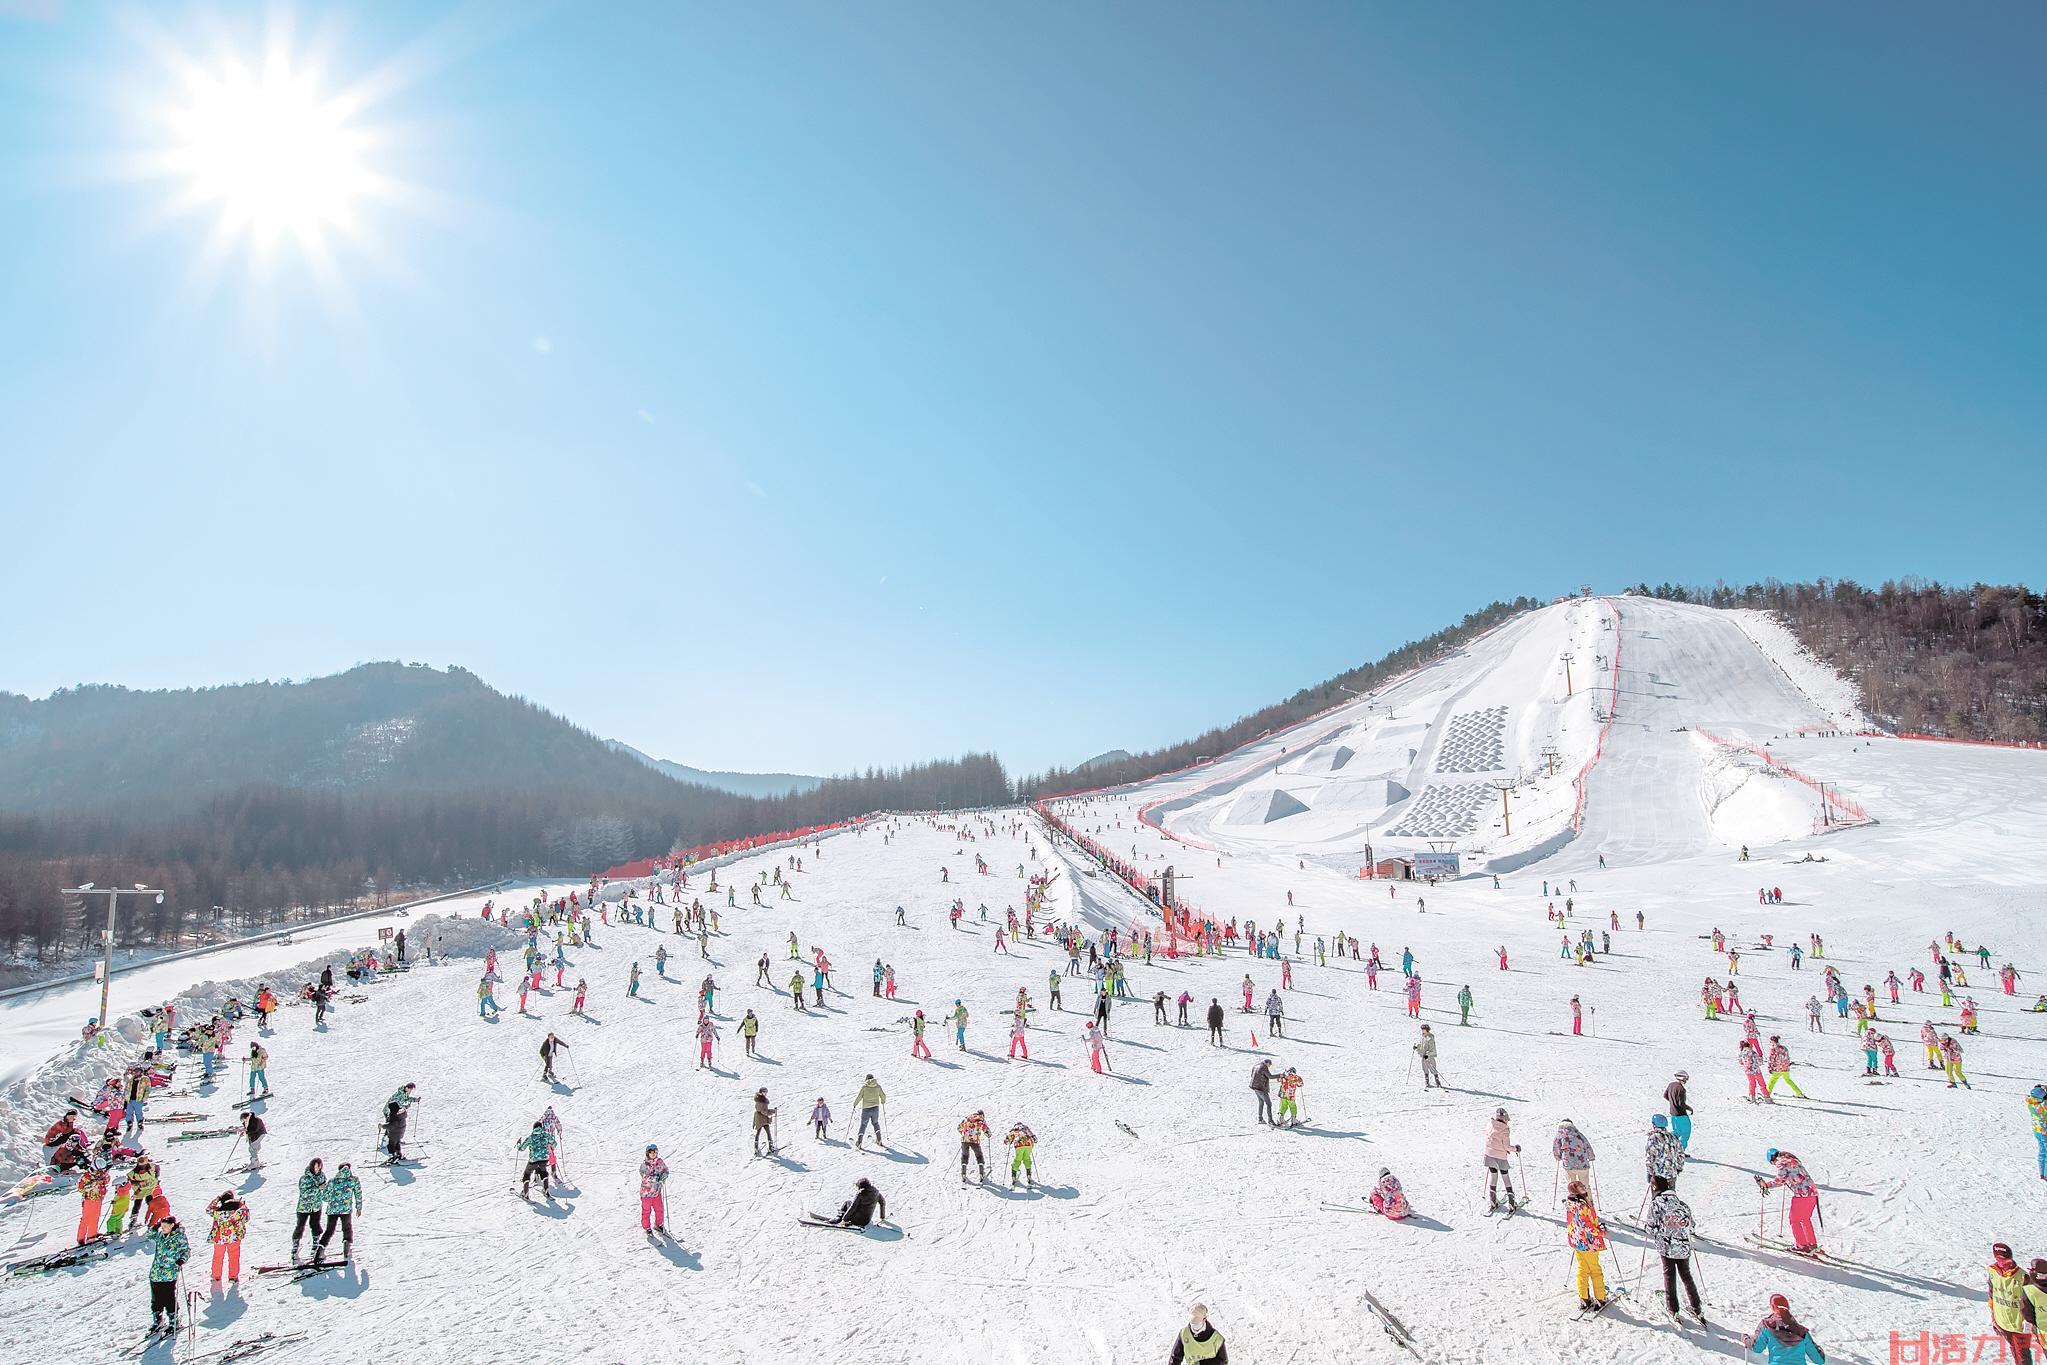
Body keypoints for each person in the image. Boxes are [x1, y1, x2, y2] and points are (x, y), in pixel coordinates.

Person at [1646, 1177, 1703, 1319]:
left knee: (1669, 1276)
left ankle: (1673, 1308)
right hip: (1683, 1246)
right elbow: (1692, 1227)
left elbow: (1651, 1228)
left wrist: (1657, 1233)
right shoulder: (1682, 1204)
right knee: (1686, 1275)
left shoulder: (1656, 1204)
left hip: (1666, 1247)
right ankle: (1696, 1306)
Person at [1756, 1149, 1820, 1253]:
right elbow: (1789, 1178)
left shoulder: (1782, 1164)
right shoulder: (1792, 1160)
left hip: (1801, 1195)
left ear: (1772, 1159)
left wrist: (1765, 1185)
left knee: (1794, 1219)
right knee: (1805, 1219)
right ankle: (1811, 1243)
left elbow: (1779, 1181)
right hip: (1812, 1193)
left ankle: (1801, 1245)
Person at [1565, 1180, 1610, 1311]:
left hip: (1577, 1240)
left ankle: (1584, 1298)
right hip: (1588, 1242)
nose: (1584, 1188)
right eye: (1581, 1187)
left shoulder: (1570, 1202)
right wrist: (1601, 1232)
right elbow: (1587, 1226)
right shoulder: (1582, 1206)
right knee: (1595, 1270)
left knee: (1583, 1269)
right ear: (1576, 1191)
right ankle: (1600, 1297)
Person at [1747, 1293, 1826, 1364]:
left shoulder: (1767, 1326)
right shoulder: (1802, 1332)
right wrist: (1819, 1350)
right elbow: (1819, 1360)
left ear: (1772, 1307)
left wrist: (1747, 1340)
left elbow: (1757, 1348)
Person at [145, 1214, 190, 1335]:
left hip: (169, 1273)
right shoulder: (160, 1235)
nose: (163, 1228)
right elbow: (149, 1235)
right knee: (156, 1298)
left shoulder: (178, 1237)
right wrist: (155, 1227)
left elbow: (186, 1250)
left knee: (169, 1297)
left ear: (172, 1225)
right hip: (156, 1272)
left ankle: (174, 1320)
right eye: (162, 1226)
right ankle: (157, 1319)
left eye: (165, 1226)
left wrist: (182, 1260)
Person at [1988, 1242, 2030, 1365]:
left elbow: (2030, 1301)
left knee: (2023, 1355)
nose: (2002, 1262)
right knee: (2014, 1349)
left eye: (2004, 1259)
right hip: (2001, 1320)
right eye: (1998, 1259)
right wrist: (1993, 1317)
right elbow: (1992, 1294)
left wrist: (2028, 1323)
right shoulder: (1992, 1271)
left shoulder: (2023, 1277)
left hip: (2019, 1324)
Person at [314, 1161, 361, 1264]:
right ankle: (346, 1245)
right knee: (347, 1228)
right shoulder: (353, 1180)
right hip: (345, 1210)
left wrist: (332, 1198)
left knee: (329, 1230)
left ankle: (320, 1249)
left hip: (332, 1210)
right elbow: (358, 1194)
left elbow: (325, 1198)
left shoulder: (332, 1181)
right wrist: (358, 1207)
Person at [206, 1190, 248, 1283]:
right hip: (234, 1237)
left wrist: (217, 1199)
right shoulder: (238, 1212)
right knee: (234, 1256)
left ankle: (216, 1275)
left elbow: (208, 1209)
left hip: (219, 1238)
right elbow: (246, 1216)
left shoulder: (217, 1212)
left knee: (218, 1256)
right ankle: (233, 1276)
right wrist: (240, 1203)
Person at [1484, 1108, 1521, 1212]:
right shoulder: (1504, 1129)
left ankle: (1492, 1201)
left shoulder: (1489, 1124)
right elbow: (1506, 1146)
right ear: (1504, 1119)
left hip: (1489, 1154)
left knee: (1493, 1175)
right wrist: (1516, 1149)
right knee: (1505, 1177)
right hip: (1500, 1157)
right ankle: (1512, 1203)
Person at [292, 1159, 326, 1262]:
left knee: (315, 1226)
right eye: (316, 1166)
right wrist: (317, 1188)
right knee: (300, 1226)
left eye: (319, 1166)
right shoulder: (305, 1178)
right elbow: (304, 1192)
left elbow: (324, 1189)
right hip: (304, 1207)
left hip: (316, 1207)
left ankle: (315, 1248)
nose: (318, 1168)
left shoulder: (322, 1176)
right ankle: (295, 1249)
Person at [1553, 1118, 1595, 1193]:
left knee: (1572, 1184)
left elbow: (1556, 1148)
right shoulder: (1579, 1135)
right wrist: (1591, 1157)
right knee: (1584, 1184)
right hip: (1582, 1164)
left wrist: (1558, 1157)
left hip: (1568, 1164)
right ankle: (1588, 1200)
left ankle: (1574, 1200)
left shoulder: (1559, 1136)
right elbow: (1587, 1145)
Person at [516, 1122, 555, 1198]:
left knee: (527, 1174)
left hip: (533, 1160)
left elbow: (521, 1148)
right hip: (544, 1158)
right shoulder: (546, 1135)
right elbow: (554, 1144)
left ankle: (525, 1192)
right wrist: (549, 1145)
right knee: (543, 1172)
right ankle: (546, 1190)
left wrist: (518, 1144)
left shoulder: (531, 1137)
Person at [640, 1144, 669, 1234]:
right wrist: (657, 1178)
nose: (653, 1154)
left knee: (659, 1208)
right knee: (646, 1210)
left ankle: (659, 1224)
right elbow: (645, 1176)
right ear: (647, 1153)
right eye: (650, 1152)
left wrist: (664, 1176)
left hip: (656, 1192)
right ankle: (647, 1227)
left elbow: (665, 1170)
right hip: (646, 1193)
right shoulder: (645, 1165)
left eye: (654, 1152)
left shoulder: (660, 1162)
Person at [854, 1074, 886, 1149]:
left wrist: (855, 1104)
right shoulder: (878, 1086)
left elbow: (859, 1097)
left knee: (863, 1125)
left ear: (866, 1079)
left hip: (866, 1109)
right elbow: (883, 1096)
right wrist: (883, 1101)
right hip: (875, 1108)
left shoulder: (864, 1087)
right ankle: (879, 1140)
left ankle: (859, 1142)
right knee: (875, 1123)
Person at [958, 1110, 990, 1183]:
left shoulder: (967, 1118)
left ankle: (963, 1172)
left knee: (965, 1155)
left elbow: (959, 1128)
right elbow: (986, 1131)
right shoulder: (980, 1121)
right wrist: (988, 1135)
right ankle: (981, 1172)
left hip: (965, 1140)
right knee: (979, 1155)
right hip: (975, 1141)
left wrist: (964, 1134)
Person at [1665, 1071, 1694, 1150]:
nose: (1686, 1081)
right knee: (1685, 1133)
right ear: (1682, 1078)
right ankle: (1680, 1151)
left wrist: (1672, 1102)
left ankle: (1670, 1146)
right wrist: (1689, 1108)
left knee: (1676, 1131)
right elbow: (1681, 1104)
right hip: (1681, 1114)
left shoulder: (1671, 1085)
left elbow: (1665, 1095)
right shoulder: (1681, 1089)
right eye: (1686, 1079)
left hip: (1673, 1114)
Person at [1003, 1122, 1036, 1188]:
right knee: (1027, 1159)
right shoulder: (1025, 1128)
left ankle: (1014, 1176)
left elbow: (1008, 1139)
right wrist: (1034, 1139)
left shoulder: (1014, 1130)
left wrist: (1007, 1141)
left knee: (1018, 1160)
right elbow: (1033, 1136)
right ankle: (1029, 1175)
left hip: (1019, 1145)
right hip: (1028, 1144)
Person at [1415, 1024, 1441, 1089]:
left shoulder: (1430, 1038)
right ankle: (1427, 1081)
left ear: (1427, 1030)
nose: (1422, 1031)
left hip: (1429, 1056)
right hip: (1423, 1056)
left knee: (1432, 1068)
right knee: (1425, 1068)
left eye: (1423, 1029)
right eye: (1422, 1029)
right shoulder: (1423, 1037)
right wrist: (1416, 1047)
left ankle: (1437, 1080)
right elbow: (1421, 1046)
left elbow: (1432, 1049)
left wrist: (1427, 1054)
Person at [753, 1089, 778, 1156]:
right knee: (763, 1132)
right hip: (762, 1118)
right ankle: (769, 1148)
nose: (765, 1093)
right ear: (761, 1092)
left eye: (766, 1092)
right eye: (764, 1092)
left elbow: (763, 1110)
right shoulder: (761, 1100)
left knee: (763, 1132)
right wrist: (772, 1111)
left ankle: (756, 1147)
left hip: (760, 1118)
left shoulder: (760, 1099)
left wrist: (770, 1111)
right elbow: (764, 1111)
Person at [1250, 1059, 1274, 1126]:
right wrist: (1280, 1075)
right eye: (1269, 1065)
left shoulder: (1256, 1066)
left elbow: (1252, 1075)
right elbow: (1270, 1076)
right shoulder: (1264, 1067)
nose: (1269, 1066)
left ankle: (1260, 1119)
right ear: (1267, 1063)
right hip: (1261, 1088)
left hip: (1255, 1087)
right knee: (1269, 1104)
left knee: (1261, 1102)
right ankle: (1270, 1121)